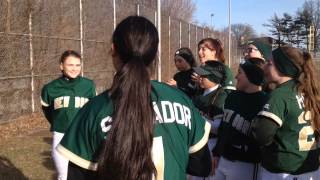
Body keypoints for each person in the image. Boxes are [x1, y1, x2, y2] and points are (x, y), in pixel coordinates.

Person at [57, 16, 212, 180]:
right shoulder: (181, 100)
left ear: (113, 49)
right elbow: (202, 167)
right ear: (154, 54)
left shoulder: (94, 109)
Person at [251, 46, 320, 180]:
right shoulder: (310, 91)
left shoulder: (280, 95)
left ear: (283, 67)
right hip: (311, 169)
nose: (265, 67)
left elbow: (262, 134)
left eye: (270, 63)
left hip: (283, 171)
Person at [41, 50, 96, 180]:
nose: (74, 68)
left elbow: (92, 110)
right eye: (70, 65)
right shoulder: (50, 88)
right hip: (61, 136)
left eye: (78, 65)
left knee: (86, 175)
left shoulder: (88, 85)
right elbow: (47, 111)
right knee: (64, 176)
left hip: (83, 136)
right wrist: (61, 123)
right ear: (61, 66)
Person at [212, 58, 267, 180]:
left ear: (250, 76)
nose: (236, 77)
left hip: (246, 163)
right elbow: (223, 128)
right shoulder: (233, 96)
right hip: (222, 159)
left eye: (240, 73)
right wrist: (216, 153)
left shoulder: (264, 101)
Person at [190, 60, 228, 180]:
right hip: (196, 143)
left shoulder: (221, 95)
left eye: (204, 76)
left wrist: (197, 119)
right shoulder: (200, 93)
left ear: (214, 78)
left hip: (211, 144)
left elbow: (218, 127)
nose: (199, 78)